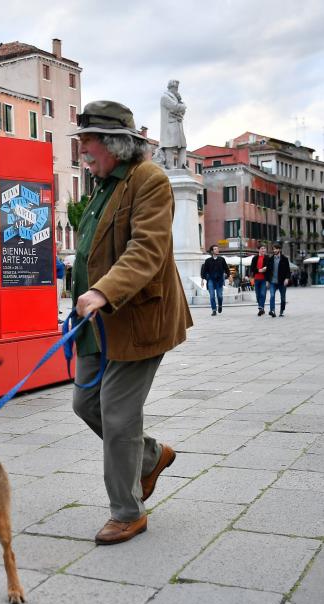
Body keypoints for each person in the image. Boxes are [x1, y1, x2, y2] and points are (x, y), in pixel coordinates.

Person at [69, 100, 193, 545]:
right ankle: (152, 457)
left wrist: (104, 290)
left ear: (115, 144)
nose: (82, 151)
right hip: (95, 322)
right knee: (86, 405)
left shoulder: (150, 181)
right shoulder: (103, 183)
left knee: (119, 418)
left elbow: (148, 248)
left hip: (138, 318)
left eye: (88, 141)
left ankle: (127, 512)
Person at [158, 79, 187, 170]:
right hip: (169, 126)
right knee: (169, 146)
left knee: (183, 146)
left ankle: (182, 166)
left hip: (178, 125)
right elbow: (175, 107)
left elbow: (181, 111)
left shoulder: (176, 98)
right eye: (175, 87)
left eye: (177, 88)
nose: (177, 89)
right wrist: (183, 106)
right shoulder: (165, 97)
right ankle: (169, 167)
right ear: (171, 87)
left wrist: (180, 103)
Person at [201, 245, 230, 316]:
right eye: (215, 249)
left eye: (217, 249)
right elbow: (204, 271)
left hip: (219, 280)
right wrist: (203, 279)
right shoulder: (207, 261)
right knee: (212, 296)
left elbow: (226, 269)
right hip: (211, 280)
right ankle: (214, 310)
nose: (217, 250)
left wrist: (229, 276)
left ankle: (220, 305)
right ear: (212, 251)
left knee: (219, 296)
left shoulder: (222, 259)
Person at [265, 242, 290, 317]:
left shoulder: (285, 259)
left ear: (279, 249)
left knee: (282, 298)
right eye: (273, 249)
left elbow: (288, 270)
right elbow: (268, 271)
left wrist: (287, 278)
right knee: (272, 296)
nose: (274, 250)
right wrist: (267, 281)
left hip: (282, 282)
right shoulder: (270, 259)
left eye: (276, 249)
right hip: (273, 282)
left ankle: (282, 311)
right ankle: (272, 310)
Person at [248, 244, 269, 315]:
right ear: (259, 250)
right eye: (262, 249)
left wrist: (266, 268)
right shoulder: (255, 258)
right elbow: (252, 268)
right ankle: (261, 308)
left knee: (263, 294)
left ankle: (261, 308)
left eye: (264, 249)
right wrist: (259, 270)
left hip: (264, 279)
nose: (263, 250)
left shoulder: (267, 258)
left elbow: (270, 268)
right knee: (257, 295)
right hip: (256, 279)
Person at [56, 242, 66, 321]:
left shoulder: (56, 256)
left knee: (58, 299)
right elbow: (55, 266)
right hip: (57, 280)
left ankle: (56, 316)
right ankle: (56, 317)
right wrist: (63, 264)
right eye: (60, 247)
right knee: (57, 299)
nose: (61, 249)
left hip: (59, 279)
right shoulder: (54, 256)